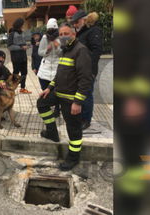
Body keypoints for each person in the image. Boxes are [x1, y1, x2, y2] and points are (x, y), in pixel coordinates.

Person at [37, 24, 93, 171]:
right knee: (41, 103)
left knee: (73, 129)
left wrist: (78, 102)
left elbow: (86, 79)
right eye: (60, 34)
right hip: (58, 93)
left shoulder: (81, 51)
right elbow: (59, 74)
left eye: (66, 33)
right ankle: (52, 132)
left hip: (71, 99)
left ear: (74, 35)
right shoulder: (65, 50)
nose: (62, 37)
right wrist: (49, 88)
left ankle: (73, 158)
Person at [71, 10, 103, 130]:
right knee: (81, 94)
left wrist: (90, 70)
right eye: (73, 22)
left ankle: (86, 120)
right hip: (80, 69)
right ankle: (81, 117)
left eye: (76, 22)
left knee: (87, 95)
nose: (75, 25)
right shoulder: (82, 32)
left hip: (88, 71)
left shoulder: (94, 30)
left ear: (84, 20)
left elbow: (97, 51)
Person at [37, 18, 61, 117]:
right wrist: (46, 50)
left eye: (53, 30)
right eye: (49, 30)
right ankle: (47, 105)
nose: (51, 32)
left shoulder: (60, 38)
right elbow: (40, 52)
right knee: (45, 88)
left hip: (56, 68)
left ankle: (57, 108)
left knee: (56, 90)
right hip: (45, 68)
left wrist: (57, 47)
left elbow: (63, 53)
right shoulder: (44, 38)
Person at [7, 18, 31, 94]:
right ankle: (12, 89)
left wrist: (27, 45)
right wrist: (21, 47)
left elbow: (23, 43)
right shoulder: (12, 34)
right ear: (19, 25)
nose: (23, 26)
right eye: (22, 24)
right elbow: (9, 46)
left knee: (24, 72)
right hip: (16, 58)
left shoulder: (22, 33)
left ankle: (22, 88)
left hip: (23, 57)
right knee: (16, 73)